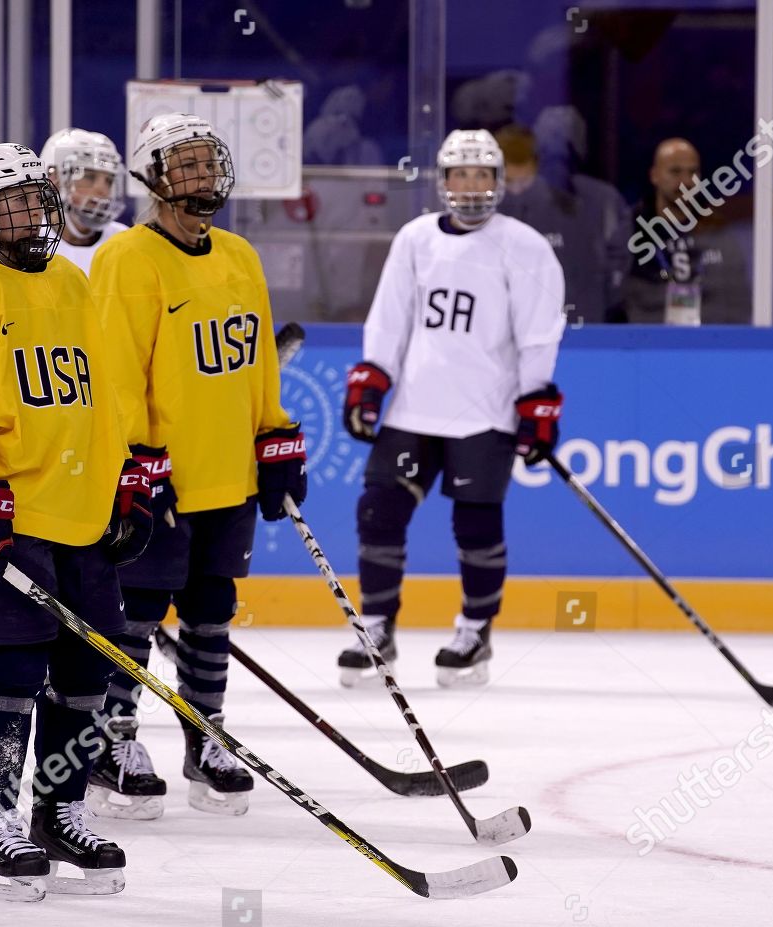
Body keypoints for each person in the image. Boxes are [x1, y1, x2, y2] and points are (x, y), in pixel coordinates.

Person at [0, 142, 151, 902]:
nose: (33, 213)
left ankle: (58, 809)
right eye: (13, 200)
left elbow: (102, 395)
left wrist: (122, 484)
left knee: (88, 669)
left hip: (78, 508)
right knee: (10, 666)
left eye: (35, 198)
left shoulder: (71, 281)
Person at [88, 112, 304, 816]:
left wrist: (275, 436)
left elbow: (259, 360)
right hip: (162, 479)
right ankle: (111, 740)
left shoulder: (240, 254)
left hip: (228, 476)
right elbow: (116, 370)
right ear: (153, 175)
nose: (201, 176)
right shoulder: (128, 259)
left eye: (207, 163)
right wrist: (135, 460)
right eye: (184, 165)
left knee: (212, 611)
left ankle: (206, 740)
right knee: (138, 612)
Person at [336, 128, 564, 688]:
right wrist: (372, 378)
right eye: (460, 175)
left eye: (482, 175)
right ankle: (378, 626)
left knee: (476, 524)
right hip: (414, 411)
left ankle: (475, 630)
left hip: (485, 415)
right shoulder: (415, 239)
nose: (470, 187)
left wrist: (536, 400)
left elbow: (538, 331)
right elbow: (390, 317)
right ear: (442, 181)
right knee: (379, 512)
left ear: (499, 182)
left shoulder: (525, 246)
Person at [495, 123, 629, 326]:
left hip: (582, 326)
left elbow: (616, 266)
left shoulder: (594, 203)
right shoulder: (485, 210)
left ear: (538, 166)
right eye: (508, 182)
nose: (516, 192)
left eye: (523, 182)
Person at [617, 137, 751, 325]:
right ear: (654, 175)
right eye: (675, 172)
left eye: (693, 172)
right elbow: (615, 298)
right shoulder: (630, 231)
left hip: (705, 343)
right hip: (645, 342)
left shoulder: (717, 230)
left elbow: (737, 301)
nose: (686, 181)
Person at [40, 128, 129, 275]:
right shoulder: (30, 240)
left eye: (109, 180)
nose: (103, 190)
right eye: (88, 177)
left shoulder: (123, 241)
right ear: (54, 179)